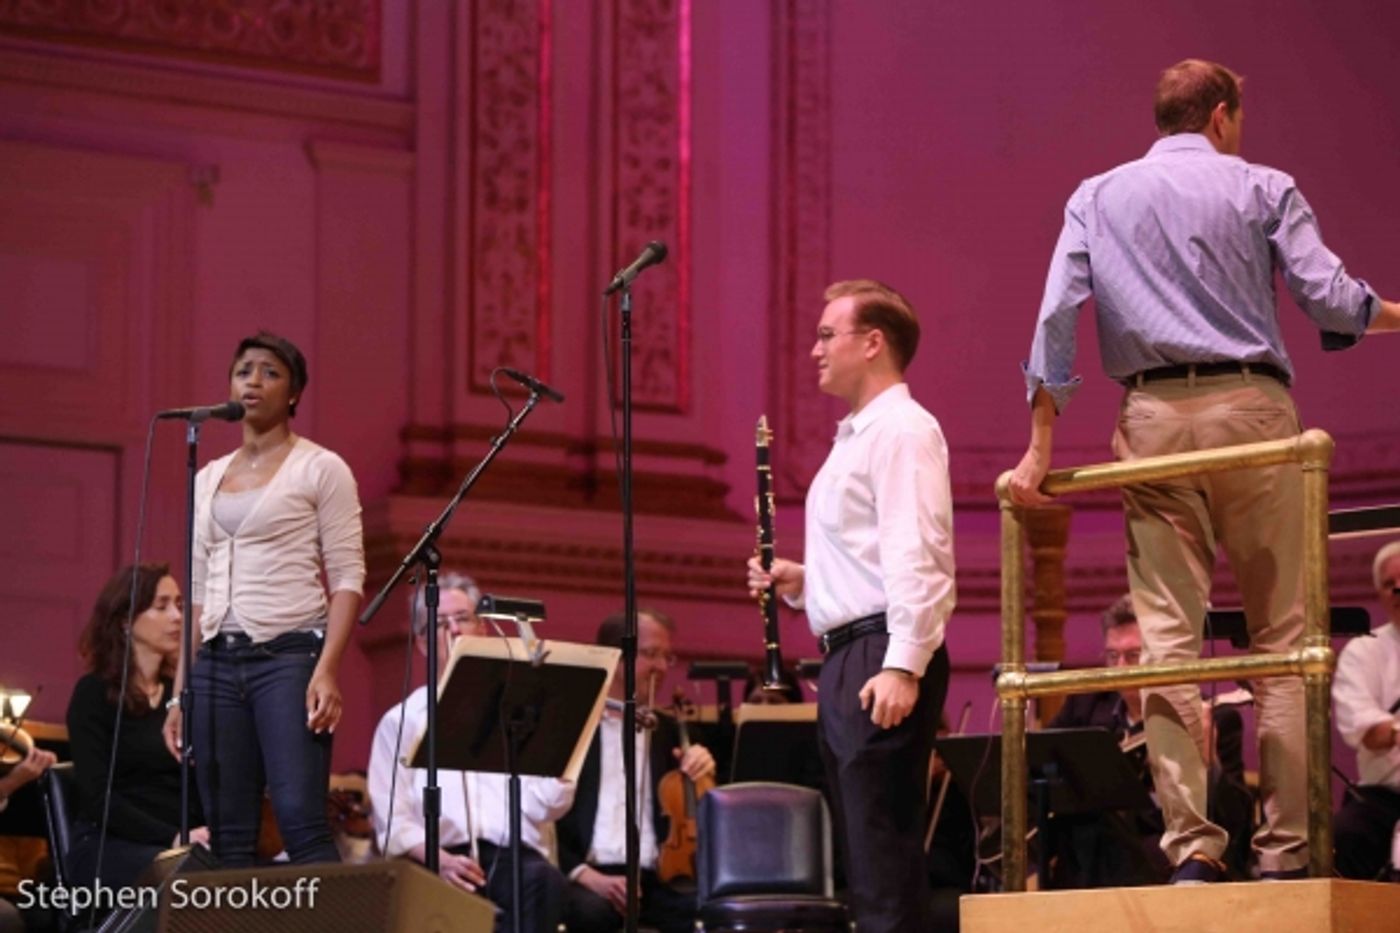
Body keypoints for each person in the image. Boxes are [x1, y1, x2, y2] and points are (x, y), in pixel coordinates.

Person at [1010, 59, 1400, 883]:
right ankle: (1289, 853)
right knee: (1285, 642)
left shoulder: (1097, 194)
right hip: (1253, 416)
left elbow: (1054, 317)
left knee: (1167, 646)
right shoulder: (1263, 184)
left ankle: (1192, 852)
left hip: (1150, 420)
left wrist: (1040, 450)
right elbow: (1330, 298)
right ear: (1223, 114)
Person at [747, 279, 955, 933]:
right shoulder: (859, 436)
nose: (815, 349)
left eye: (827, 334)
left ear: (873, 343)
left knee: (884, 859)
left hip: (878, 655)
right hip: (852, 652)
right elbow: (872, 558)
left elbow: (918, 553)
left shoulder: (902, 429)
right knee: (864, 861)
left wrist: (903, 664)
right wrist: (804, 581)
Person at [162, 331, 365, 867]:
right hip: (217, 665)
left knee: (300, 820)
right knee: (228, 836)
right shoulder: (206, 477)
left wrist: (327, 669)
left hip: (289, 658)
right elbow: (200, 590)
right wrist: (181, 692)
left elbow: (347, 576)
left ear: (295, 392)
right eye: (243, 370)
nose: (253, 381)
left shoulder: (321, 468)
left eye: (270, 372)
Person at [369, 572, 572, 932]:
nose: (455, 630)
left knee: (545, 882)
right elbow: (391, 820)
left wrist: (560, 764)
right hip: (437, 857)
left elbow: (544, 805)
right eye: (440, 623)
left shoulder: (518, 710)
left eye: (463, 619)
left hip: (512, 859)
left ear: (481, 628)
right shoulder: (401, 720)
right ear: (423, 643)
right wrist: (441, 860)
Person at [558, 609, 716, 933]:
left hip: (658, 879)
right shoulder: (569, 727)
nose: (661, 666)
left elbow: (697, 820)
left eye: (666, 656)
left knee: (709, 913)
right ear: (614, 657)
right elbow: (540, 822)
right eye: (650, 654)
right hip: (588, 875)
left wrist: (705, 772)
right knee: (590, 915)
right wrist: (587, 877)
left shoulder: (672, 733)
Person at [66, 563, 207, 890]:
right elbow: (96, 797)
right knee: (189, 878)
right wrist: (172, 838)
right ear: (126, 621)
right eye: (162, 606)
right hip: (109, 845)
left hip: (177, 844)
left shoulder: (182, 698)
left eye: (180, 606)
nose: (177, 617)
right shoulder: (93, 694)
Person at [1331, 540, 1400, 881]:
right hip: (1385, 799)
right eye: (1390, 584)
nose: (1399, 589)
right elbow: (1368, 733)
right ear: (1379, 593)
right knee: (1343, 834)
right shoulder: (1363, 650)